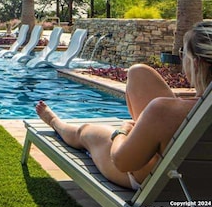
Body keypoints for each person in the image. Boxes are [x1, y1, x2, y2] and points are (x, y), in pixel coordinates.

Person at [35, 21, 212, 189]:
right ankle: (146, 133)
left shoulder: (164, 111)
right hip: (199, 175)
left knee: (86, 133)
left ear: (196, 63)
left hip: (155, 179)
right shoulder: (175, 111)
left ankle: (54, 122)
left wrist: (123, 130)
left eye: (184, 54)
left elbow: (121, 162)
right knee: (139, 73)